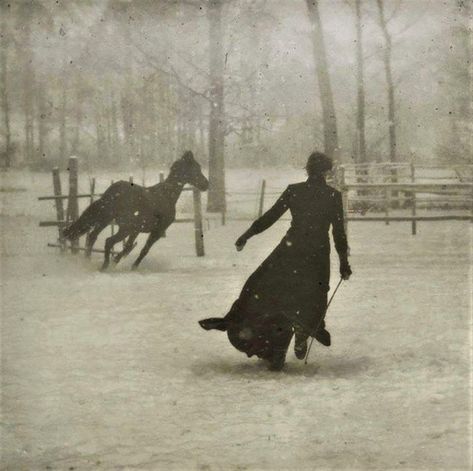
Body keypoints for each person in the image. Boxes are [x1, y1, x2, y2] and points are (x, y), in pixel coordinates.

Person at [199, 152, 352, 370]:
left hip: (290, 252)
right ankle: (302, 332)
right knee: (313, 297)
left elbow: (270, 217)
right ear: (326, 172)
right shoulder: (332, 196)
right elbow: (338, 233)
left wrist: (247, 235)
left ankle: (282, 336)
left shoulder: (295, 191)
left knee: (263, 289)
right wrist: (344, 262)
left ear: (307, 170)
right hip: (316, 254)